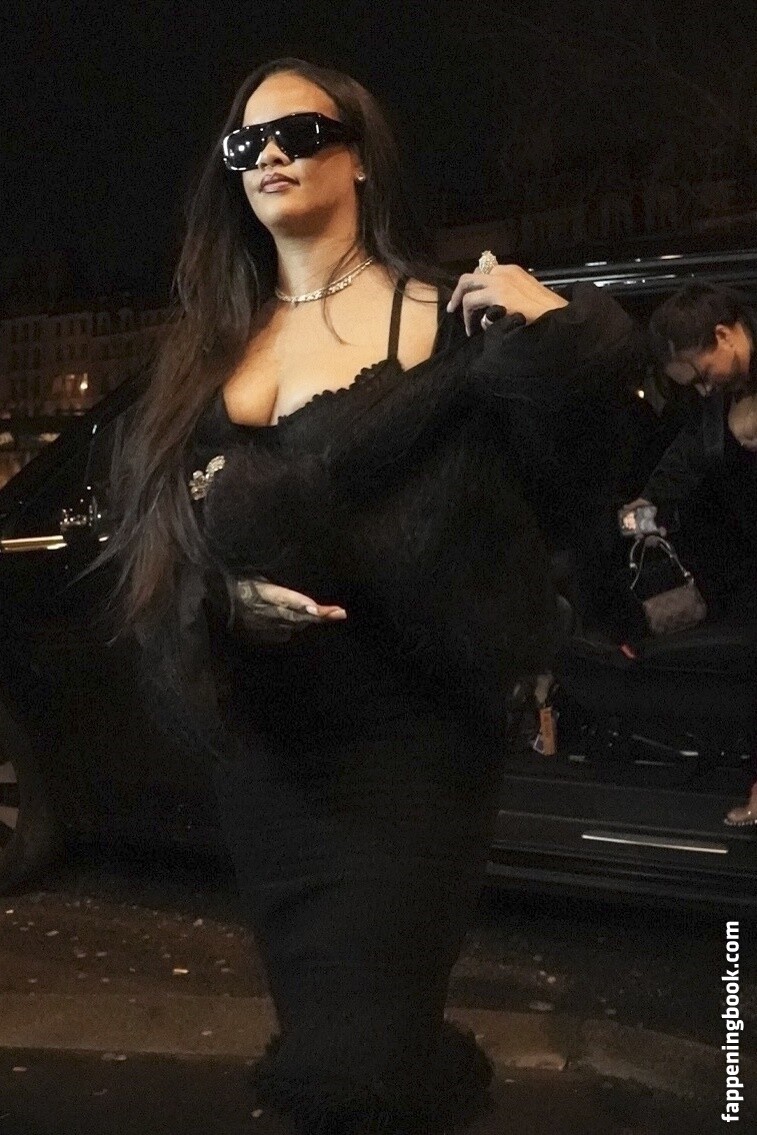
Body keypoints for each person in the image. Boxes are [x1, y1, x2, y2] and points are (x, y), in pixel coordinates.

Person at [106, 57, 636, 1134]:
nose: (269, 155)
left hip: (413, 739)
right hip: (269, 756)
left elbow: (578, 478)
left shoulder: (448, 315)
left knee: (356, 1064)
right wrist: (224, 598)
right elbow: (162, 536)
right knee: (340, 1043)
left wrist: (555, 329)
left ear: (356, 155)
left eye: (298, 132)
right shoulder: (203, 349)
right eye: (245, 143)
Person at [621, 283, 757, 828]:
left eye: (703, 375)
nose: (703, 390)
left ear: (724, 335)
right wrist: (642, 516)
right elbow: (674, 474)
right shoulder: (718, 402)